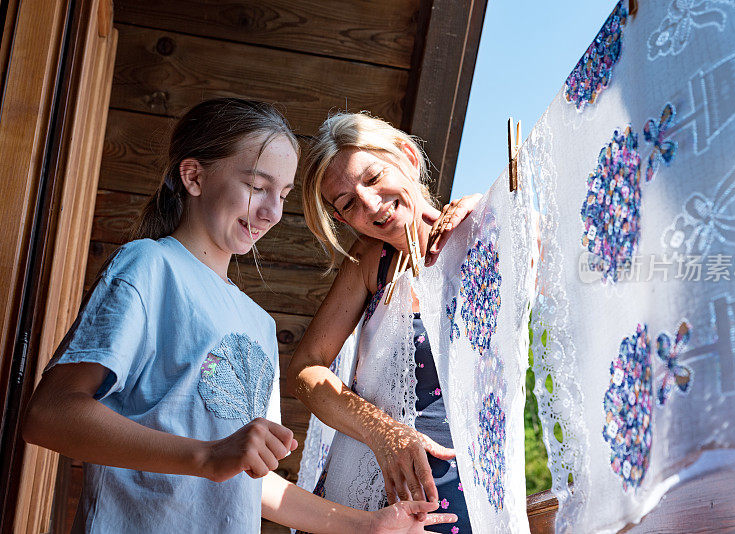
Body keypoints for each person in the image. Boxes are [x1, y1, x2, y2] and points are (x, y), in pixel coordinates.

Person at [22, 98, 457, 534]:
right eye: (256, 186)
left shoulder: (259, 325)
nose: (271, 212)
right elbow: (49, 414)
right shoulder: (149, 266)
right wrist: (208, 456)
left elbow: (252, 482)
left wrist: (369, 526)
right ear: (193, 176)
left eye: (282, 195)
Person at [289, 112, 481, 533]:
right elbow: (306, 367)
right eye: (348, 203)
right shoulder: (370, 263)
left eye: (374, 178)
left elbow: (551, 254)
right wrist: (383, 433)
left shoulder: (481, 230)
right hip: (357, 491)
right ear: (342, 219)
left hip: (457, 491)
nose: (371, 205)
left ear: (408, 157)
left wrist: (498, 209)